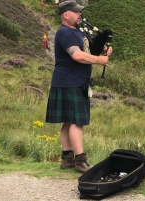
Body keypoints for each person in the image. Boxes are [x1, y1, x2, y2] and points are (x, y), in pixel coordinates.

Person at [45, 0, 113, 173]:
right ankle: (80, 161)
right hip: (70, 81)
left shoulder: (77, 31)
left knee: (69, 122)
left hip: (74, 81)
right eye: (76, 12)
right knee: (77, 122)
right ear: (65, 15)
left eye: (80, 12)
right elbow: (77, 55)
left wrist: (102, 52)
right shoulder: (65, 32)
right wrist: (100, 61)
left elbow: (88, 51)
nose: (79, 15)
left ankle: (67, 159)